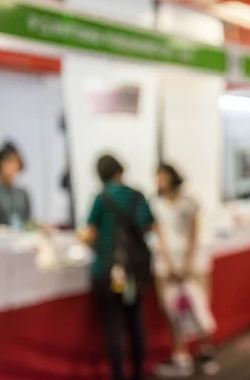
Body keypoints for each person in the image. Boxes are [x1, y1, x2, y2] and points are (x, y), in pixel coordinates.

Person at [79, 155, 154, 380]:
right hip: (135, 270)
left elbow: (89, 234)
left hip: (108, 270)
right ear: (120, 171)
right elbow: (148, 225)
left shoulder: (101, 199)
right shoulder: (137, 196)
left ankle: (118, 375)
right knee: (135, 322)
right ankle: (139, 372)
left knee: (114, 327)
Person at [151, 163, 219, 378]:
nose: (158, 181)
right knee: (173, 311)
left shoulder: (189, 202)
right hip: (167, 266)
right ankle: (181, 356)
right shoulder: (155, 204)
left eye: (161, 176)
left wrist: (187, 263)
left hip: (192, 264)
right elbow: (159, 234)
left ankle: (206, 352)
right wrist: (170, 264)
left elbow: (194, 232)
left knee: (198, 307)